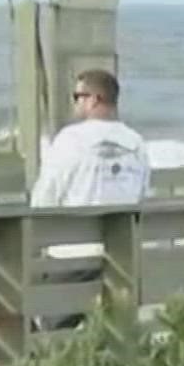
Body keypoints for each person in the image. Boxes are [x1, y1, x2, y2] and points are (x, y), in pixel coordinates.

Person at [30, 69, 153, 330]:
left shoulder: (70, 140)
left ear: (94, 99)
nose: (74, 102)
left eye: (77, 96)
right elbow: (141, 196)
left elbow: (44, 201)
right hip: (122, 258)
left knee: (46, 330)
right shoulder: (136, 143)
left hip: (73, 258)